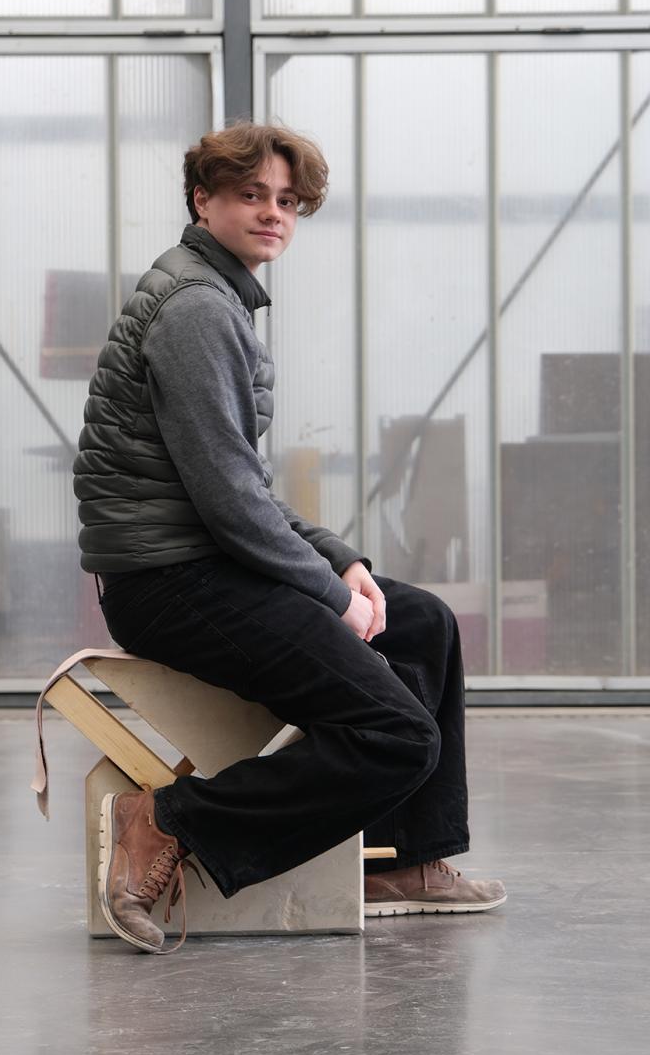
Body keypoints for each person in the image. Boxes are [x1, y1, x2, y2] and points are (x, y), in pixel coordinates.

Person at [73, 122, 506, 954]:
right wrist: (330, 594)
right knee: (396, 736)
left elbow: (241, 484)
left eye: (287, 200)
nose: (274, 213)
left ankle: (402, 860)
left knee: (422, 623)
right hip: (171, 583)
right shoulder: (197, 310)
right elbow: (232, 504)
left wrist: (344, 561)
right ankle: (166, 819)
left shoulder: (214, 295)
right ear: (203, 201)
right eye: (251, 195)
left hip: (203, 563)